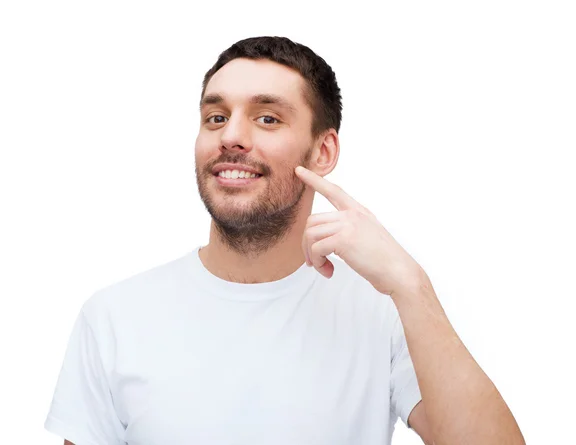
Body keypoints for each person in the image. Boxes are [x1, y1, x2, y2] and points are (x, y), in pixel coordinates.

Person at [44, 36, 525, 445]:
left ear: (323, 151)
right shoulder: (113, 318)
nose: (231, 135)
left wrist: (409, 283)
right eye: (215, 117)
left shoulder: (383, 313)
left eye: (267, 118)